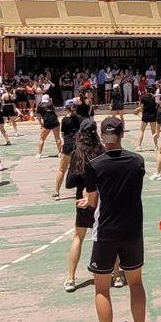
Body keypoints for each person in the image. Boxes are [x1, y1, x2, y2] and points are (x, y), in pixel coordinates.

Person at [82, 116, 152, 322]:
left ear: (103, 137)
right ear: (122, 134)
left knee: (102, 289)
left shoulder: (94, 165)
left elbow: (92, 202)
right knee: (135, 283)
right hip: (132, 229)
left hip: (106, 233)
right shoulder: (137, 161)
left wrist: (87, 199)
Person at [63, 117, 102, 291]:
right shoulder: (102, 151)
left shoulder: (77, 154)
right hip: (101, 197)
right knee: (104, 236)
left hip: (83, 198)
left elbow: (70, 181)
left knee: (78, 237)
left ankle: (70, 278)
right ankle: (115, 275)